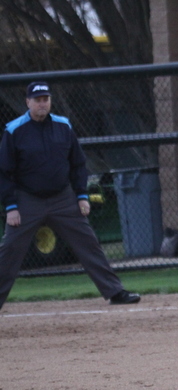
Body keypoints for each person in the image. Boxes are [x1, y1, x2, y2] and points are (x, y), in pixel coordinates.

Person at [0, 81, 140, 311]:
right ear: (28, 102)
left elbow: (77, 164)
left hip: (62, 198)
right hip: (27, 200)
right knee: (10, 251)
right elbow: (4, 172)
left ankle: (115, 292)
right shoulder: (14, 130)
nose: (42, 103)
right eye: (37, 100)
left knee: (88, 243)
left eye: (45, 99)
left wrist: (82, 195)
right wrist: (11, 206)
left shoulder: (63, 126)